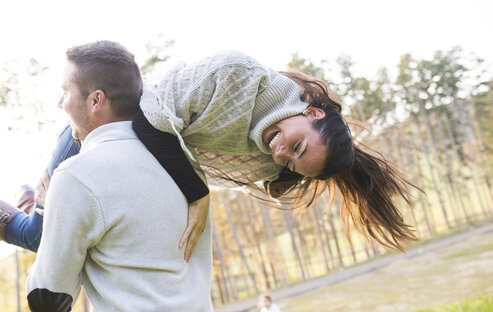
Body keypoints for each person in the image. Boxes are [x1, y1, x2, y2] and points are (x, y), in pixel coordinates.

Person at [2, 47, 417, 257]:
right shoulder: (235, 74)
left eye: (290, 161)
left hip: (137, 165)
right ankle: (23, 206)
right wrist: (198, 194)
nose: (280, 153)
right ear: (310, 112)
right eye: (297, 145)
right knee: (41, 238)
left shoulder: (271, 166)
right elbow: (147, 116)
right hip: (99, 129)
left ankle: (31, 199)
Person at [26, 41, 213, 311]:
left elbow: (48, 299)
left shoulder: (75, 176)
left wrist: (47, 210)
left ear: (95, 101)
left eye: (66, 92)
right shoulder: (186, 165)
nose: (59, 103)